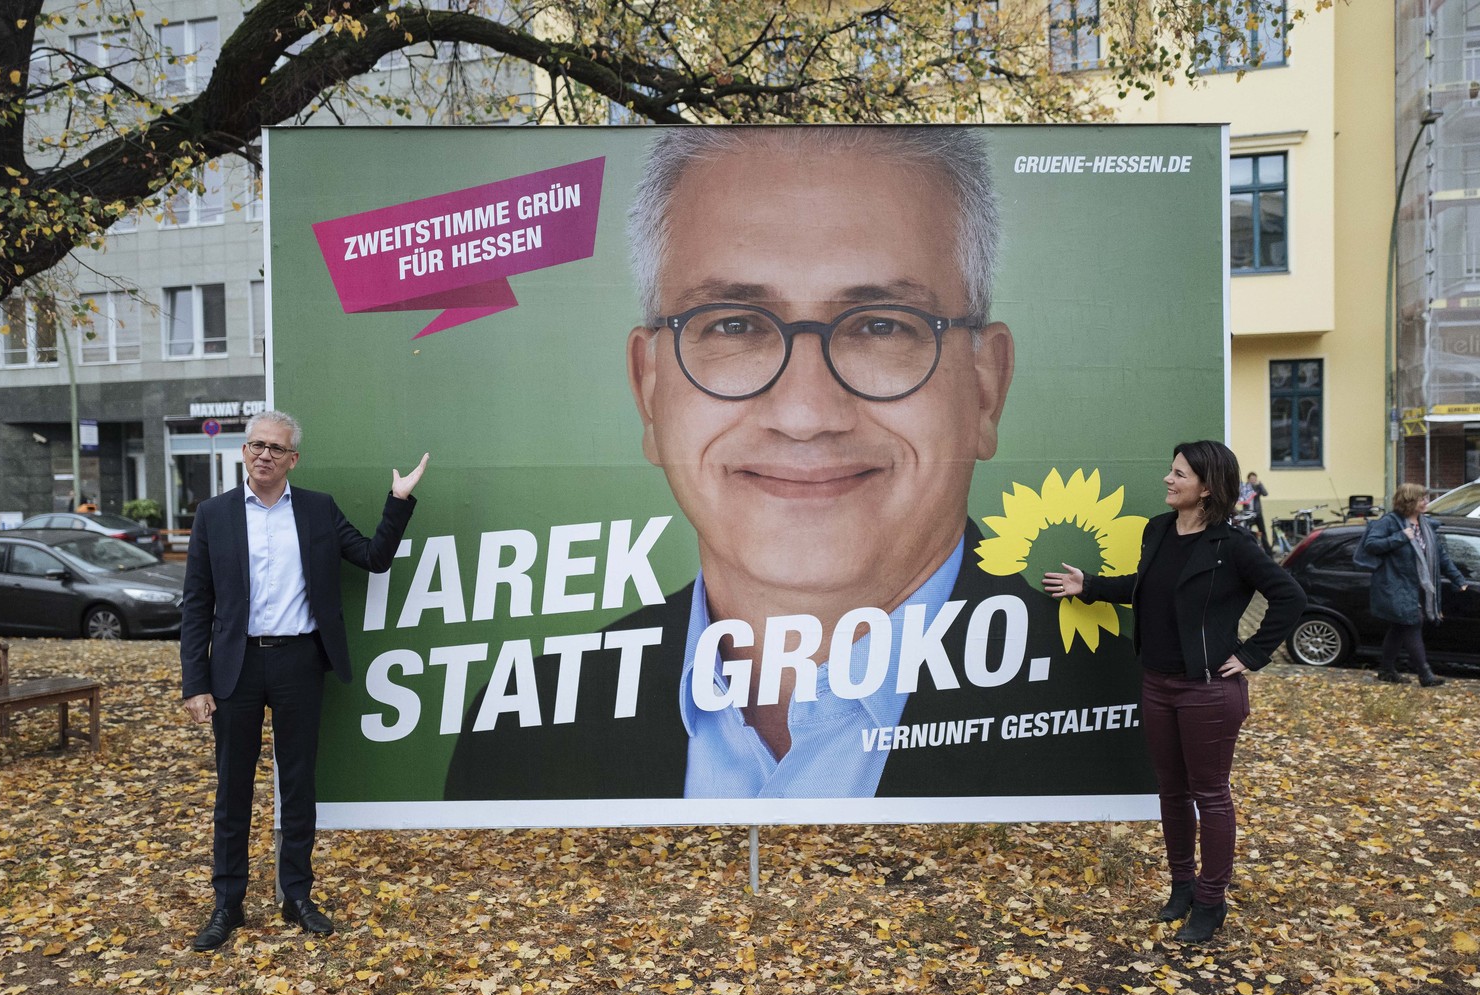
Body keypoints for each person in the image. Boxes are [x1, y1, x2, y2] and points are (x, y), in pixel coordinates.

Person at [446, 126, 1151, 802]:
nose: (807, 413)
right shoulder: (519, 726)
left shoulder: (1134, 722)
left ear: (986, 389)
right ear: (650, 390)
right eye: (734, 325)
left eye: (882, 325)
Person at [182, 410, 428, 951]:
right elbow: (197, 606)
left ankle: (296, 896)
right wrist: (194, 682)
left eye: (276, 448)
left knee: (297, 785)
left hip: (298, 662)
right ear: (244, 452)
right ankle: (228, 903)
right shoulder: (213, 515)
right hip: (235, 668)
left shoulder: (317, 510)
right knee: (233, 789)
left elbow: (374, 557)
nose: (264, 454)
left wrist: (399, 499)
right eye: (256, 445)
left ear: (293, 459)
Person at [1043, 441, 1305, 945]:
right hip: (1157, 683)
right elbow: (1147, 587)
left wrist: (1252, 655)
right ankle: (1182, 886)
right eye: (1171, 470)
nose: (1168, 479)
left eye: (1179, 474)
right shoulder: (1158, 530)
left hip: (1207, 691)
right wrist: (1091, 586)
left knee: (1211, 796)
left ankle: (1211, 901)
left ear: (1206, 488)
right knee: (1172, 793)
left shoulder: (1233, 546)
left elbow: (1290, 596)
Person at [1362, 482, 1469, 688]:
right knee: (1412, 623)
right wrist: (1400, 537)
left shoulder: (1426, 525)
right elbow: (1371, 545)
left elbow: (1441, 556)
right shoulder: (1390, 522)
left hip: (1418, 585)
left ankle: (1386, 669)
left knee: (1399, 627)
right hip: (1394, 584)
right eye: (1422, 499)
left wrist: (1458, 579)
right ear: (1409, 501)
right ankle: (1425, 674)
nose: (1426, 502)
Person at [1237, 472, 1271, 552]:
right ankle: (1248, 549)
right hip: (1247, 514)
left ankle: (1268, 551)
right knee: (1246, 532)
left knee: (1263, 532)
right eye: (1252, 479)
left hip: (1257, 513)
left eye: (1255, 479)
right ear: (1248, 480)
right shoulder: (1245, 489)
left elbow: (1265, 494)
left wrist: (1260, 485)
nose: (1253, 480)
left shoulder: (1257, 488)